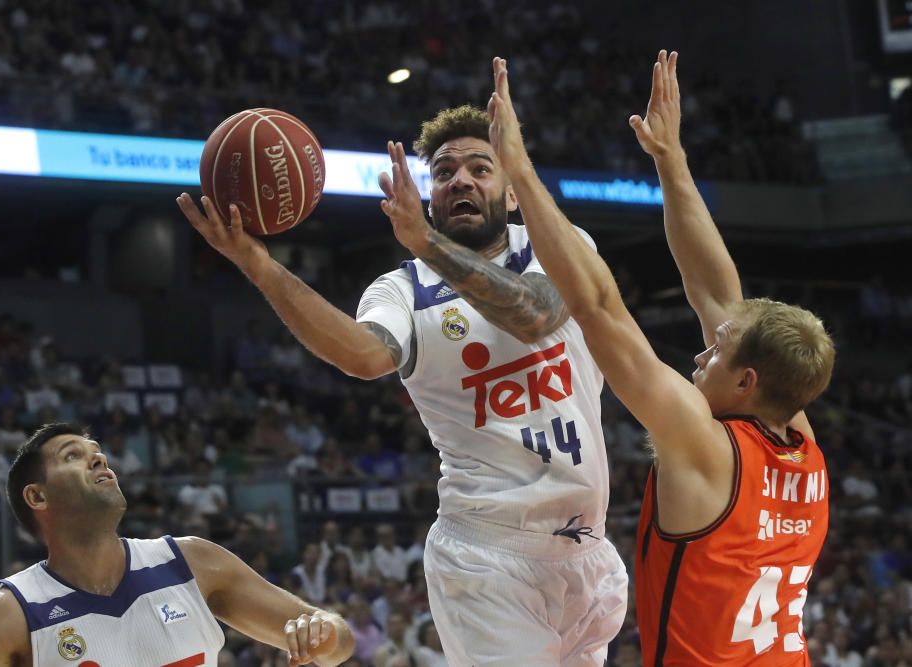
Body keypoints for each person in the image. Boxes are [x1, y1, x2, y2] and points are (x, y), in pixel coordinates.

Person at [178, 63, 627, 667]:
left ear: (514, 190)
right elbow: (364, 356)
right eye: (443, 173)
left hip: (587, 548)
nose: (459, 180)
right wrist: (260, 266)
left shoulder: (558, 245)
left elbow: (536, 314)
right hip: (487, 557)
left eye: (478, 168)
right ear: (427, 195)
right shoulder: (401, 289)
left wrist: (428, 243)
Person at [494, 50, 834, 664]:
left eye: (717, 351)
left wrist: (518, 168)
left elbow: (597, 306)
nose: (703, 353)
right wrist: (671, 163)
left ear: (748, 381)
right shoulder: (802, 445)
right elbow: (717, 293)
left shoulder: (705, 444)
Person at [0, 423, 355, 666]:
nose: (99, 460)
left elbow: (339, 645)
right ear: (38, 498)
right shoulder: (5, 618)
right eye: (72, 456)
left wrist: (325, 632)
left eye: (98, 453)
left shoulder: (192, 562)